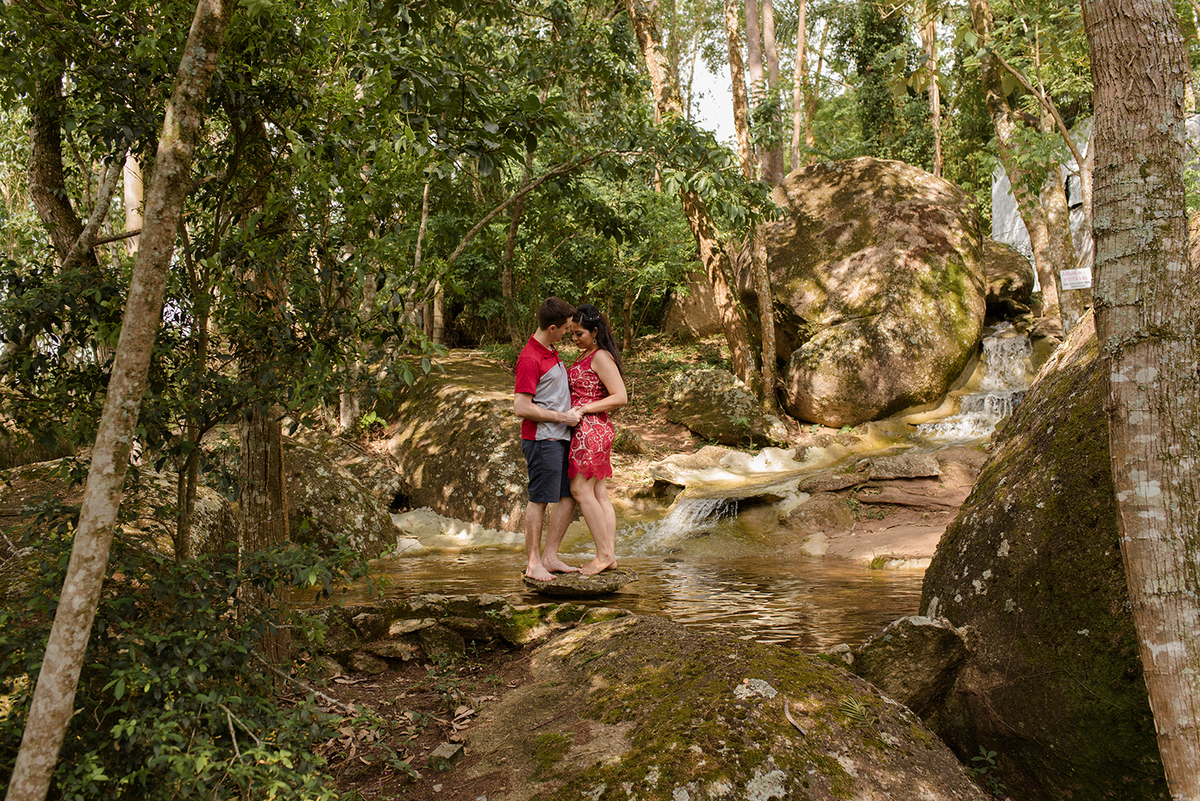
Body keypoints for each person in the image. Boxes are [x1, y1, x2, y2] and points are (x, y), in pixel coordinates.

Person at [514, 297, 582, 581]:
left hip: (560, 437)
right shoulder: (530, 358)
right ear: (552, 328)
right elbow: (521, 407)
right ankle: (533, 564)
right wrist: (562, 417)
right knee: (540, 499)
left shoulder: (550, 350)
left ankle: (550, 557)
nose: (569, 332)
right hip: (543, 440)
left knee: (569, 497)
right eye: (566, 328)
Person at [566, 304, 628, 575]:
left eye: (579, 333)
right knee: (599, 493)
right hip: (589, 429)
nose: (574, 338)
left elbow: (620, 397)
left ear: (594, 332)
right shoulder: (587, 355)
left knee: (580, 490)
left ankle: (603, 555)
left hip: (592, 429)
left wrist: (583, 408)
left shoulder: (601, 356)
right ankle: (609, 556)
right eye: (572, 333)